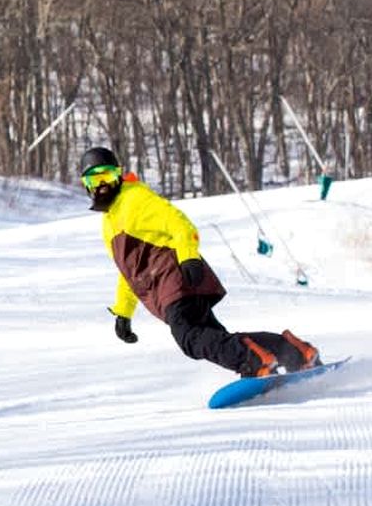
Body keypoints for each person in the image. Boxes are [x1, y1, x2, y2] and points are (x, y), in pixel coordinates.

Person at [79, 145, 321, 378]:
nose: (101, 186)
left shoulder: (134, 199)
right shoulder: (110, 222)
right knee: (216, 338)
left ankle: (254, 360)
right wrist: (123, 312)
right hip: (167, 285)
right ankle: (294, 353)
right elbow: (129, 270)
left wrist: (188, 259)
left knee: (189, 337)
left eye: (106, 177)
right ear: (86, 186)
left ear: (119, 175)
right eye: (93, 181)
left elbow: (179, 224)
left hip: (174, 281)